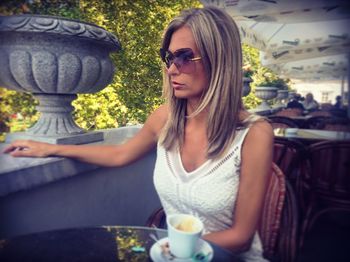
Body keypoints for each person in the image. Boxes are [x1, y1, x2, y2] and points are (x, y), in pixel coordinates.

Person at [4, 6, 272, 261]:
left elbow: (241, 237)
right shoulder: (164, 118)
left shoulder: (254, 134)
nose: (171, 69)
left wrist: (174, 249)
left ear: (219, 59)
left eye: (185, 57)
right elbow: (120, 154)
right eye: (169, 57)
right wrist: (52, 148)